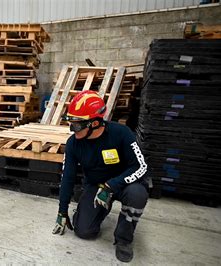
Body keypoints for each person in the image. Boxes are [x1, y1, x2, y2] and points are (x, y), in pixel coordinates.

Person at [52, 90, 149, 263]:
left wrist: (111, 186)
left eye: (77, 125)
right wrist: (62, 210)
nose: (72, 129)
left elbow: (140, 166)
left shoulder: (122, 133)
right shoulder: (73, 144)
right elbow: (67, 178)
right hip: (96, 185)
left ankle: (124, 239)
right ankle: (89, 211)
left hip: (124, 184)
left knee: (138, 195)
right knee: (84, 232)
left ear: (95, 123)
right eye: (70, 124)